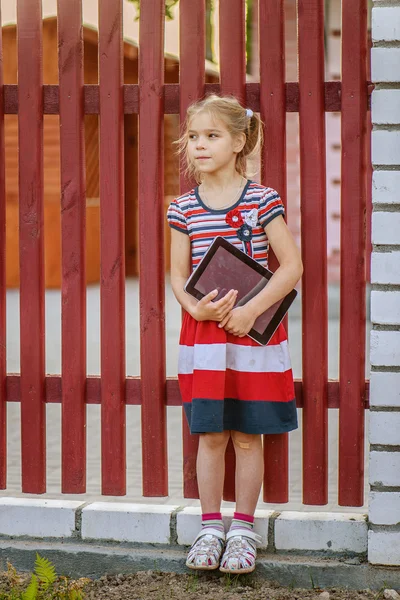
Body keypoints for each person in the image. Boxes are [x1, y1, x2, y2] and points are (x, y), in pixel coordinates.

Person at [167, 94, 303, 574]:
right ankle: (209, 527)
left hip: (253, 337)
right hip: (205, 339)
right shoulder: (182, 208)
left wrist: (250, 311)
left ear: (238, 142)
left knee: (248, 436)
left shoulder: (262, 200)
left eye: (212, 136)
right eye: (195, 137)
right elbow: (178, 278)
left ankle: (243, 529)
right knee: (210, 435)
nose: (200, 145)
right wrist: (194, 306)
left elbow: (292, 267)